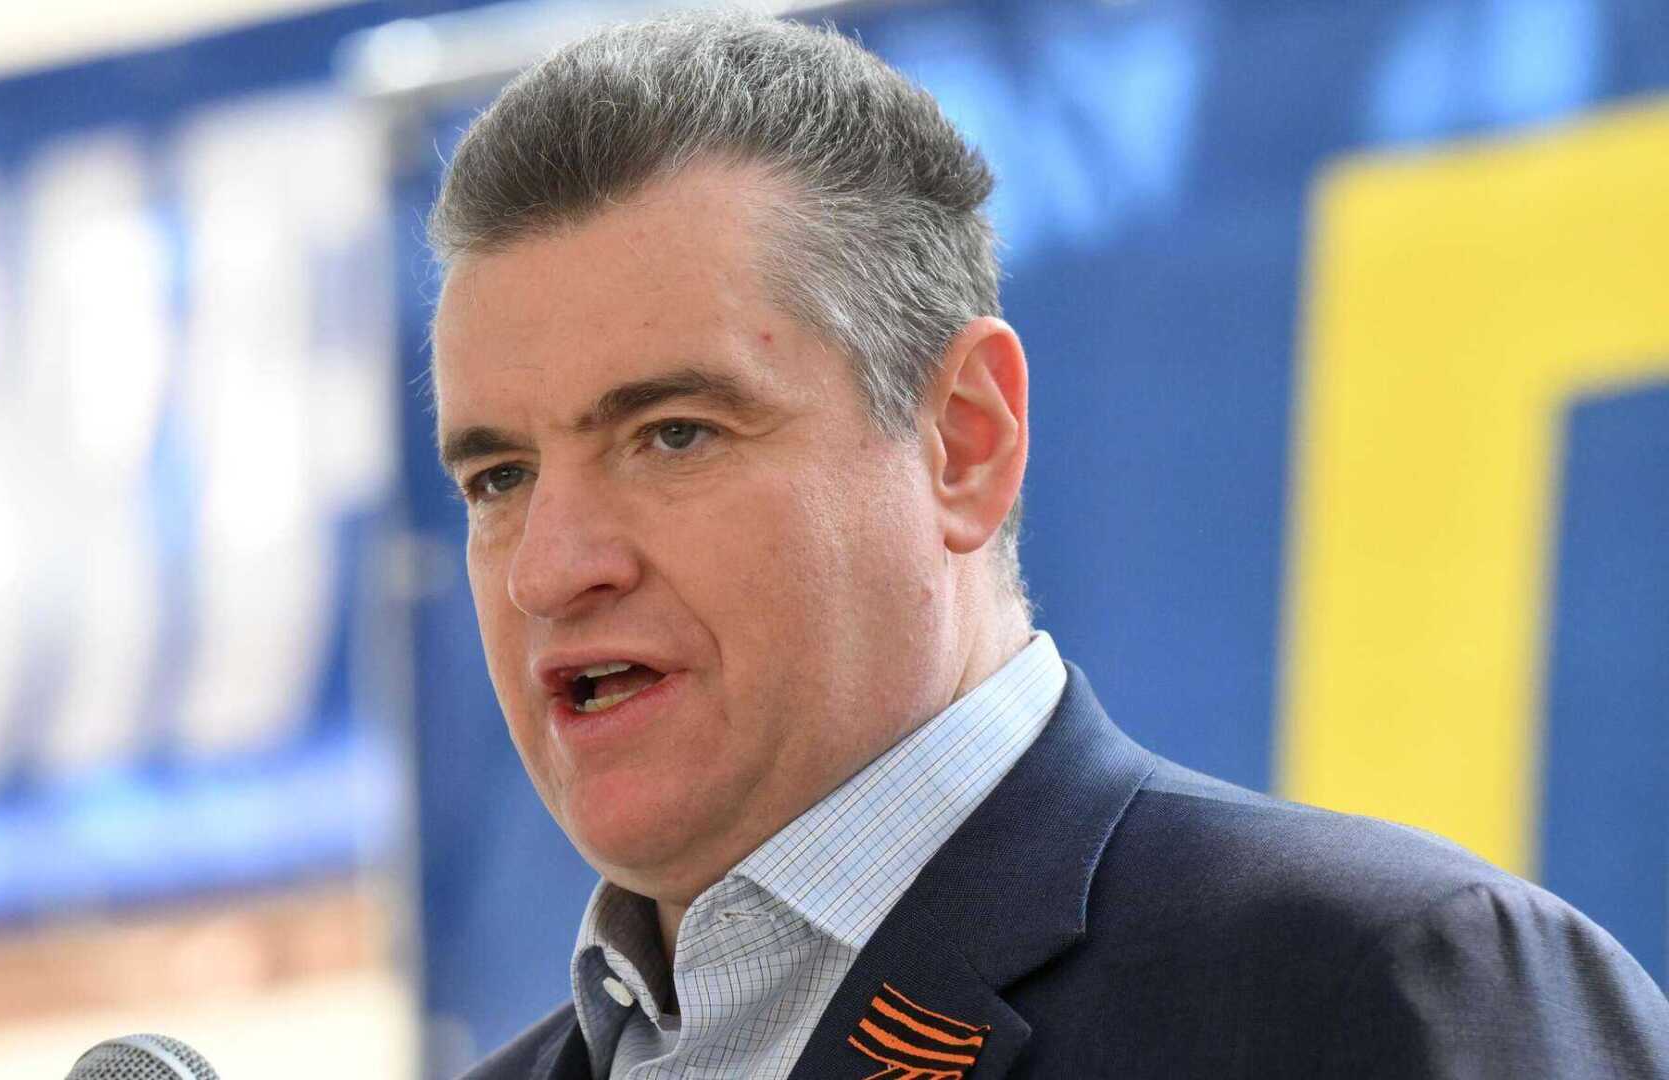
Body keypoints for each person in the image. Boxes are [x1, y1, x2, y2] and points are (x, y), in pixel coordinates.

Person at [425, 11, 1669, 1078]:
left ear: (964, 444)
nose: (550, 569)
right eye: (500, 478)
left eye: (674, 435)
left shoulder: (1372, 987)